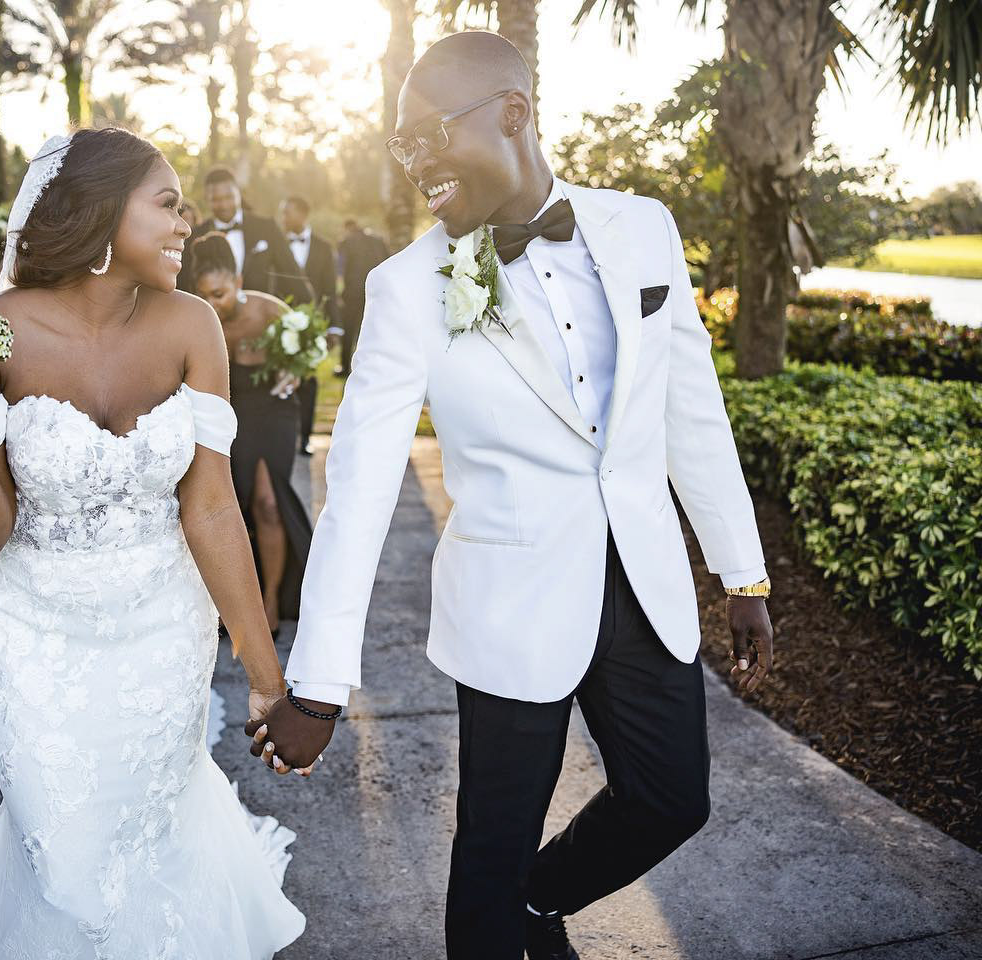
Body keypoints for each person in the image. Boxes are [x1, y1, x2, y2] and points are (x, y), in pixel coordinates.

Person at [249, 31, 776, 960]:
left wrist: (743, 573)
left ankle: (541, 902)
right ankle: (503, 917)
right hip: (509, 604)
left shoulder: (641, 226)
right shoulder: (408, 288)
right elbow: (360, 491)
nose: (415, 166)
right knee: (487, 858)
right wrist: (318, 688)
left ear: (513, 113)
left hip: (641, 583)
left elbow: (691, 407)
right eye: (399, 149)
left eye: (428, 138)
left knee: (671, 800)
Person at [0, 126, 307, 958]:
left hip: (162, 626)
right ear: (101, 214)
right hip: (31, 634)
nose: (186, 227)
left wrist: (267, 682)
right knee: (62, 847)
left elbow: (210, 508)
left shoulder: (193, 327)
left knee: (149, 822)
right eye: (167, 206)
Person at [190, 231, 315, 637]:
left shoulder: (271, 310)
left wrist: (293, 374)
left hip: (275, 411)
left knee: (267, 502)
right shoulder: (200, 324)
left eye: (221, 294)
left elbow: (309, 354)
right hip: (231, 413)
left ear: (238, 283)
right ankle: (233, 599)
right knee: (236, 507)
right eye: (205, 295)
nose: (214, 303)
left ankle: (270, 599)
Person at [179, 167, 313, 308]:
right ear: (207, 199)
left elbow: (292, 274)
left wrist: (307, 316)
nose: (224, 205)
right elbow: (184, 284)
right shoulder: (193, 236)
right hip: (212, 320)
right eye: (216, 200)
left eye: (229, 197)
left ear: (239, 193)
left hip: (260, 319)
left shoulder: (267, 228)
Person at [280, 195, 338, 455]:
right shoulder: (278, 243)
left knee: (309, 381)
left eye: (288, 213)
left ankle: (304, 437)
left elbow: (330, 290)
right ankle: (284, 435)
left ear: (303, 214)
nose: (283, 218)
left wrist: (334, 327)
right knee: (282, 378)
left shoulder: (324, 248)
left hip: (313, 324)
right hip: (282, 321)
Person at [335, 219, 390, 376]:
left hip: (352, 292)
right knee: (374, 330)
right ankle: (373, 367)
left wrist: (341, 291)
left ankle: (345, 367)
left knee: (349, 331)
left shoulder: (346, 242)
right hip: (376, 292)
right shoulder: (378, 241)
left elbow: (341, 268)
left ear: (348, 228)